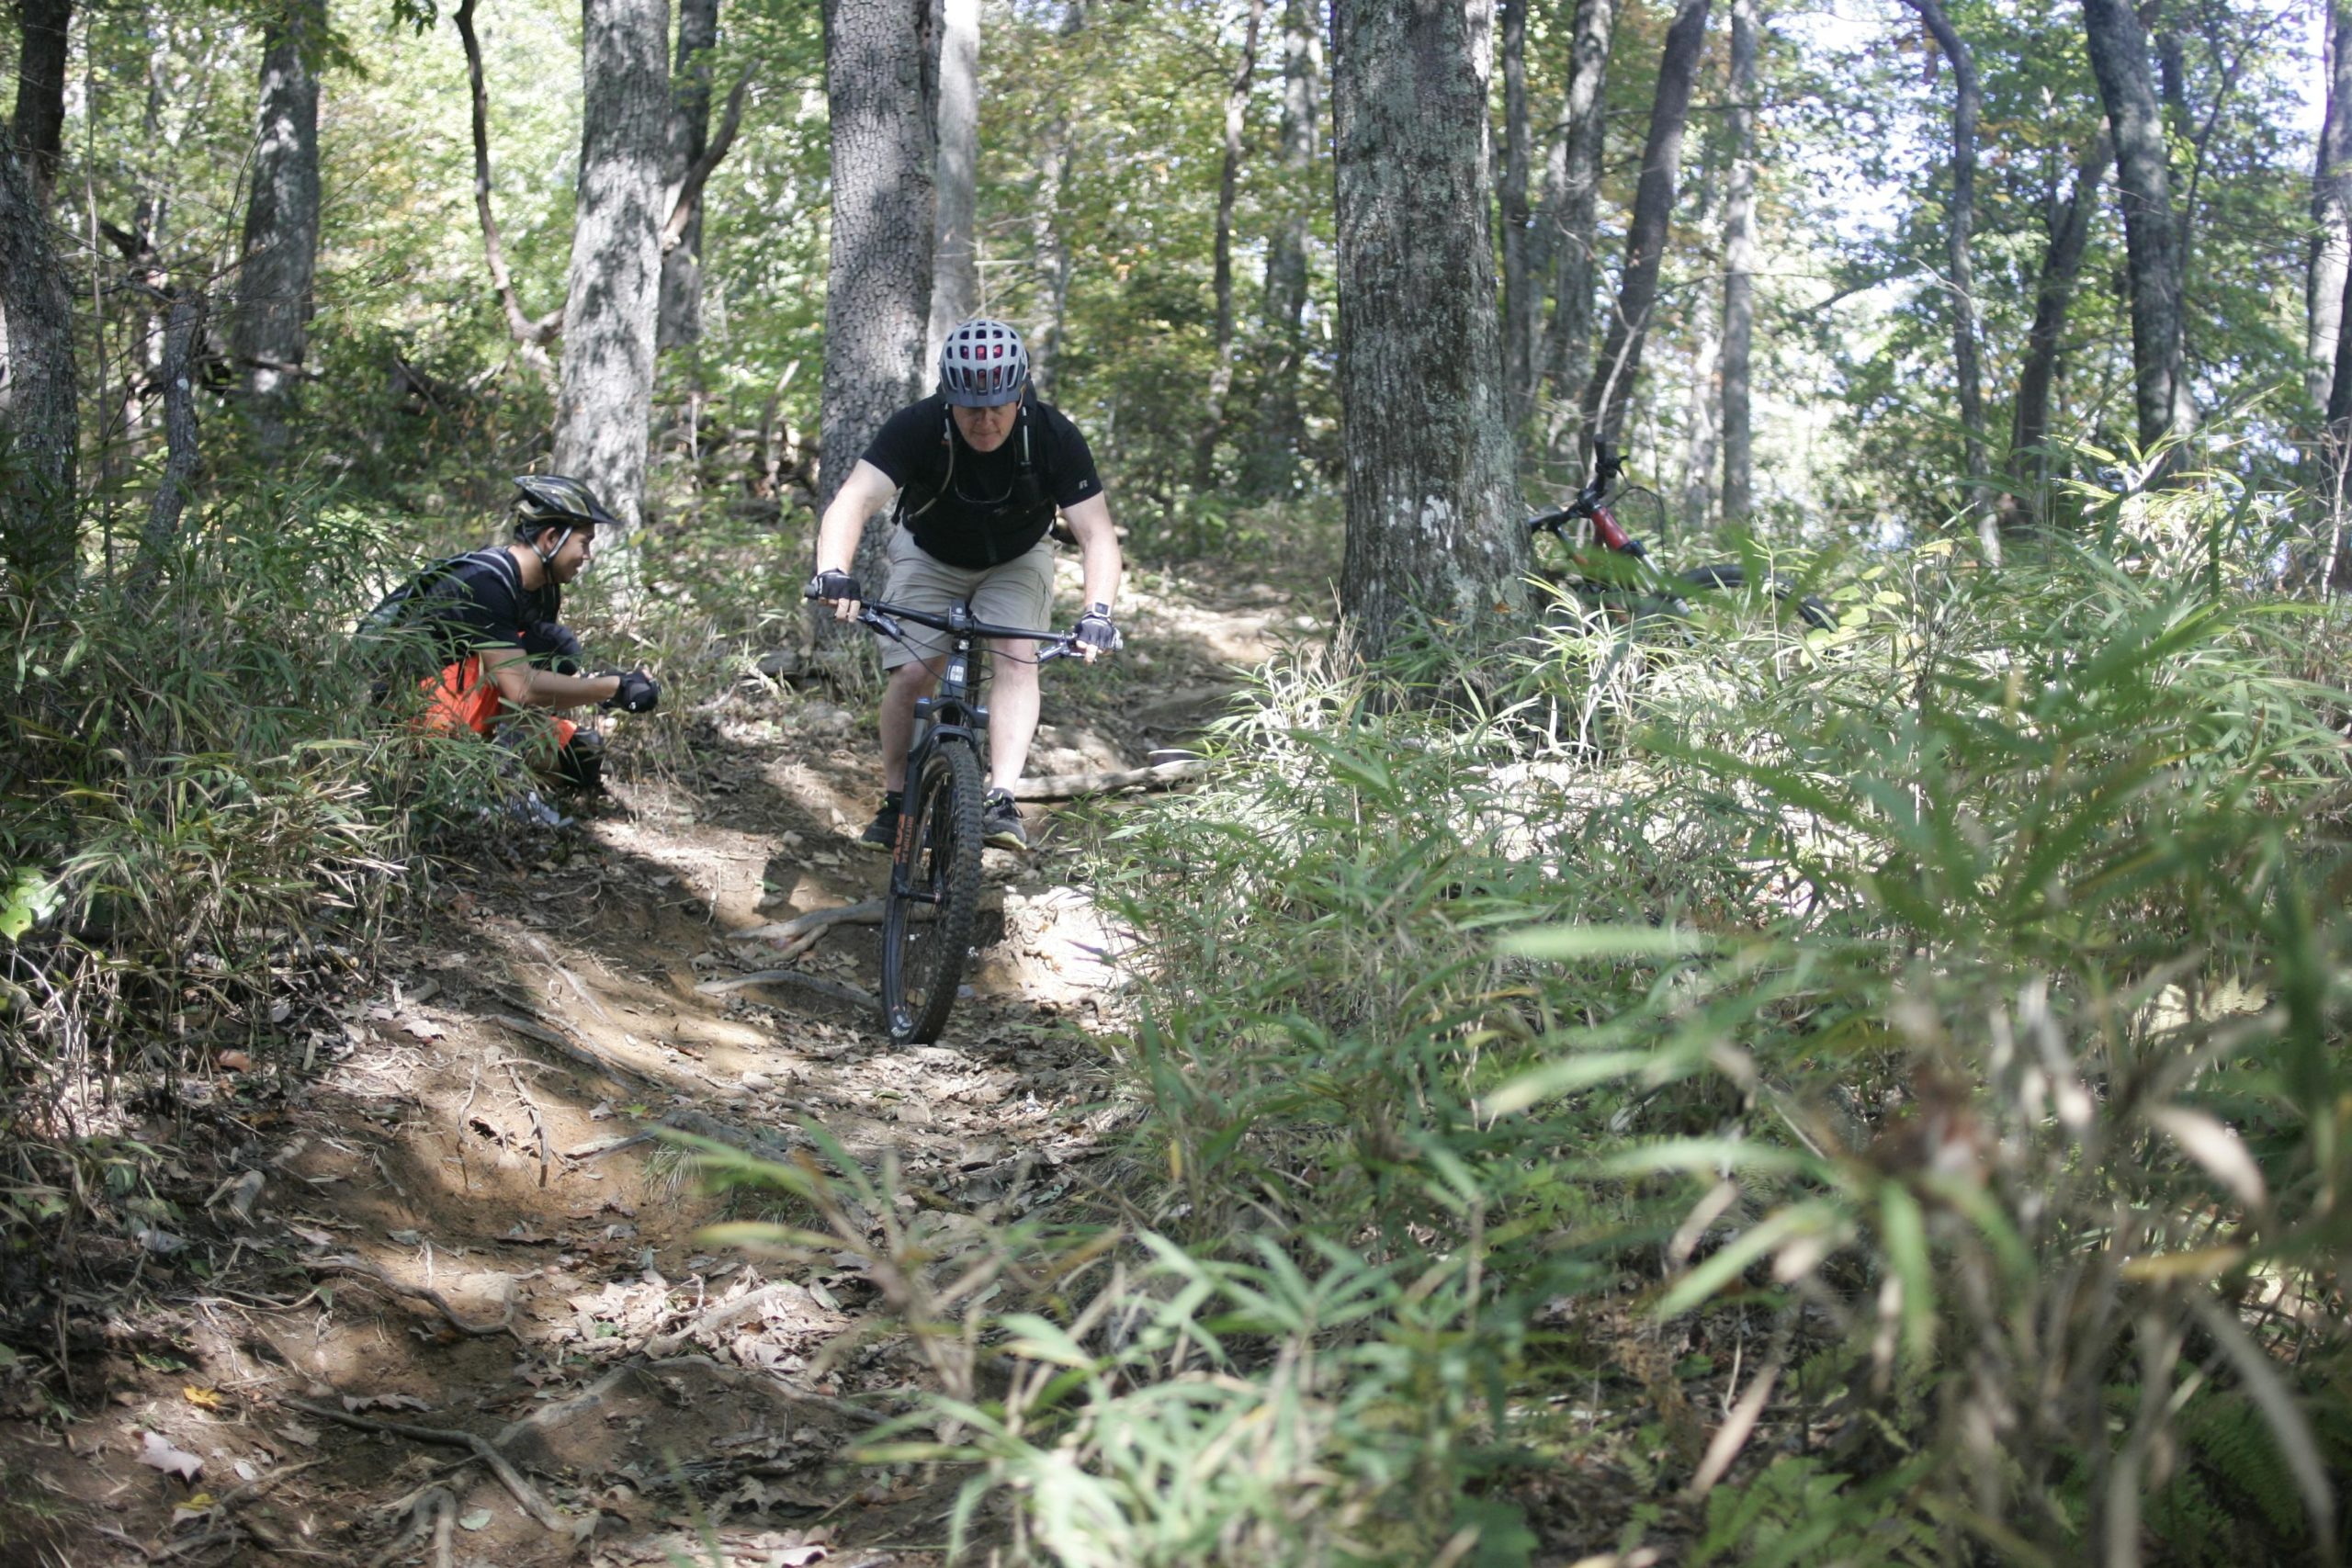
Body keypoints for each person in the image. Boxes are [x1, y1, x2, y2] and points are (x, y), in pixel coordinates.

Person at [808, 319, 1123, 853]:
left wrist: (1098, 611)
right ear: (946, 396)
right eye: (970, 407)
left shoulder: (1052, 434)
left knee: (1017, 652)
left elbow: (1097, 534)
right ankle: (893, 800)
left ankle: (1000, 799)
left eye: (998, 404)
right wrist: (834, 570)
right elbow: (853, 500)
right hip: (929, 552)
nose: (985, 420)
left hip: (1017, 557)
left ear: (1020, 391)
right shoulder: (918, 426)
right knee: (912, 671)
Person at [407, 474, 660, 813]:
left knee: (582, 754)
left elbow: (529, 684)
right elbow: (522, 689)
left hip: (472, 703)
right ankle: (480, 784)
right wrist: (612, 688)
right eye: (584, 543)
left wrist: (610, 682)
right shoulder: (487, 582)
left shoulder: (543, 588)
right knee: (551, 648)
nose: (588, 555)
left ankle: (502, 776)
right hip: (413, 712)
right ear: (551, 537)